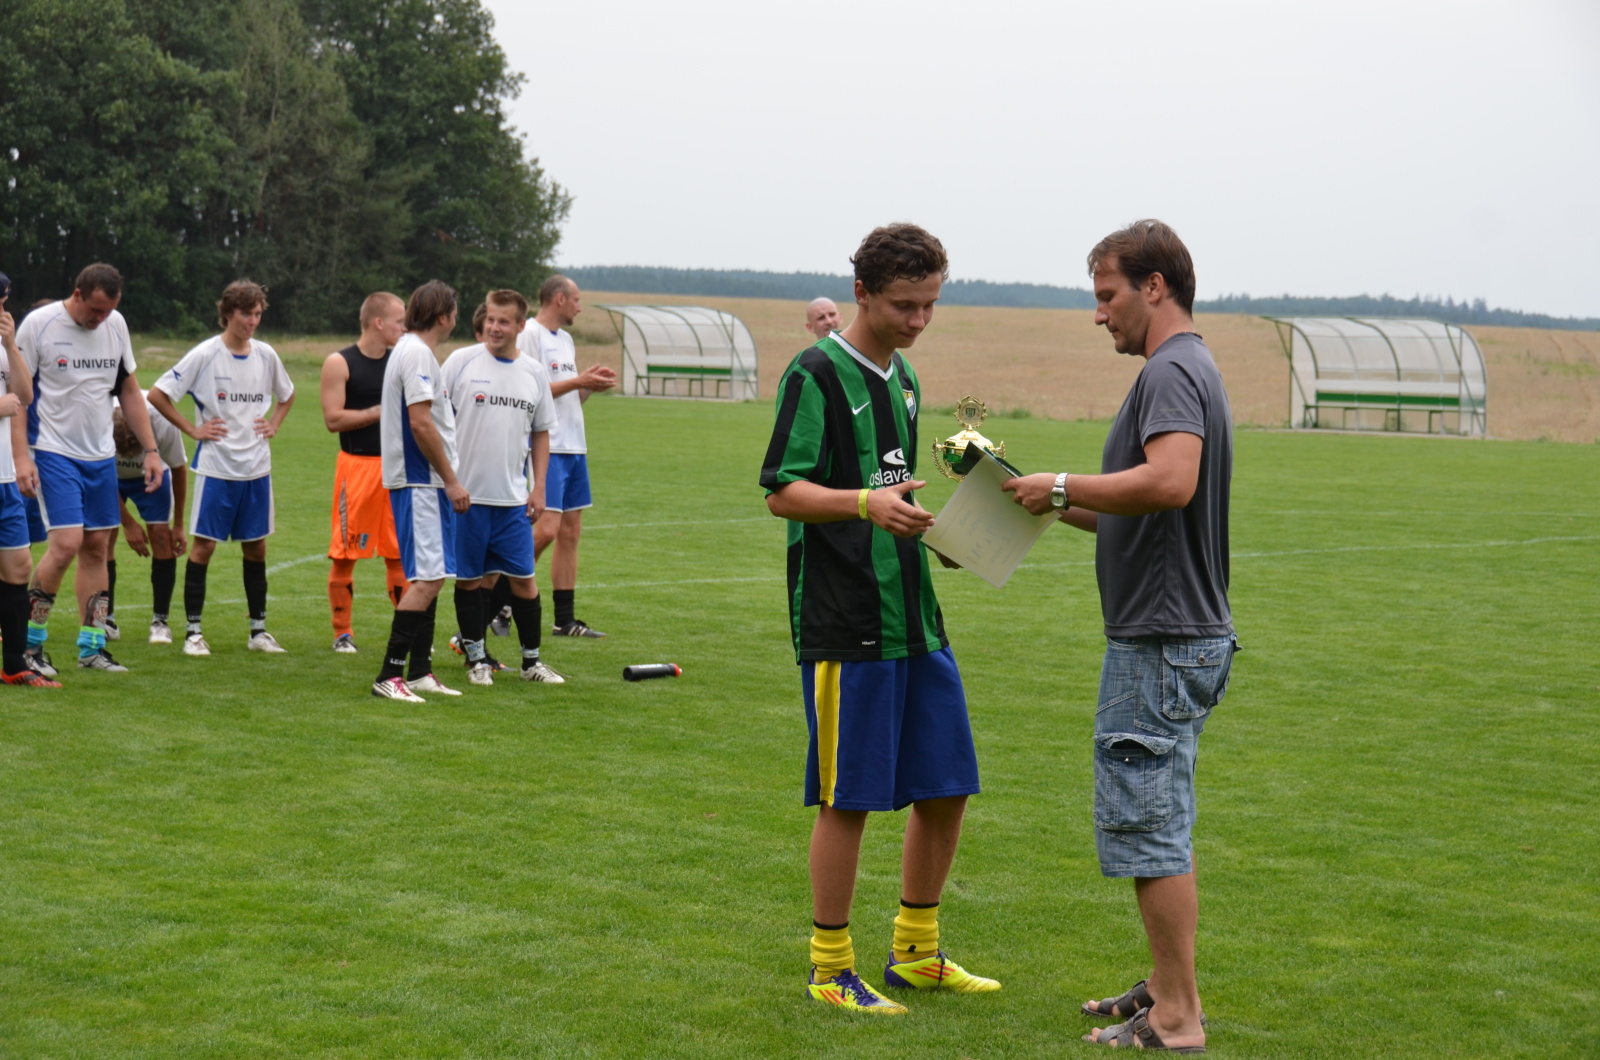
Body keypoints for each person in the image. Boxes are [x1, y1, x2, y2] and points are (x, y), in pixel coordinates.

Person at [1003, 220, 1234, 1053]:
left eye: (1108, 296)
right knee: (1160, 821)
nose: (1099, 314)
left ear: (1154, 287)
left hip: (1161, 639)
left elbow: (1169, 481)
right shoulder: (1189, 367)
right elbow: (1135, 511)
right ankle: (1169, 988)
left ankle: (1176, 1018)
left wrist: (1063, 482)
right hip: (1180, 634)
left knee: (1149, 832)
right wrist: (1040, 499)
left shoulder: (1170, 370)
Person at [759, 223, 1000, 1015]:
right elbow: (783, 491)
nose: (918, 320)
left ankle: (917, 953)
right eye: (904, 305)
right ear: (861, 293)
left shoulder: (905, 379)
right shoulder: (815, 373)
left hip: (915, 619)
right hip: (846, 619)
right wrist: (865, 504)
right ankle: (831, 969)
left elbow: (893, 490)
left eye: (930, 305)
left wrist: (949, 535)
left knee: (947, 786)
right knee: (849, 797)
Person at [16, 263, 164, 674]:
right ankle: (29, 645)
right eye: (95, 310)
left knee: (97, 546)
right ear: (77, 294)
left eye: (109, 311)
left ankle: (92, 647)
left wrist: (152, 450)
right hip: (51, 450)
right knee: (66, 544)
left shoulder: (116, 325)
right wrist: (21, 457)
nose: (101, 319)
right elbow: (19, 395)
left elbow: (129, 390)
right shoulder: (40, 325)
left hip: (100, 455)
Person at [149, 280, 295, 656]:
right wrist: (192, 429)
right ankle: (193, 634)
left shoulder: (266, 355)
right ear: (228, 313)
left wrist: (274, 423)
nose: (252, 321)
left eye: (258, 314)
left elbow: (288, 393)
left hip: (257, 468)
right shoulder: (205, 354)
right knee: (204, 547)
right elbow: (158, 394)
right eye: (246, 313)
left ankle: (258, 631)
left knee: (257, 548)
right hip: (217, 468)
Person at [439, 289, 564, 685]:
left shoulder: (533, 372)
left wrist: (538, 488)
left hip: (512, 501)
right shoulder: (460, 362)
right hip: (467, 499)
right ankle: (477, 660)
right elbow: (434, 421)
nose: (494, 327)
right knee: (469, 580)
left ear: (520, 326)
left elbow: (541, 433)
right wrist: (449, 481)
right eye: (491, 319)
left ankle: (531, 664)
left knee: (524, 581)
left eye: (504, 321)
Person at [370, 279, 468, 702]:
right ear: (444, 316)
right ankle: (389, 675)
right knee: (427, 579)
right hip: (421, 481)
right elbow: (420, 422)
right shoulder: (417, 354)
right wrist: (451, 480)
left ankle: (419, 672)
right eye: (455, 312)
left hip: (423, 481)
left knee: (433, 576)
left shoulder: (411, 350)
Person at [518, 275, 616, 638]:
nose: (580, 307)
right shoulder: (530, 334)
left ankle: (565, 620)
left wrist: (589, 385)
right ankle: (501, 601)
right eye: (576, 300)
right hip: (549, 446)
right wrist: (579, 381)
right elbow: (531, 391)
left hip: (575, 445)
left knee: (570, 532)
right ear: (559, 299)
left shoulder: (566, 340)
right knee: (545, 529)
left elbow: (568, 396)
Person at [321, 291, 409, 653]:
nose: (405, 328)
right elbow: (333, 419)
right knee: (345, 553)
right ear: (378, 322)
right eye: (400, 321)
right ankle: (342, 632)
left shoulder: (400, 361)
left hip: (397, 469)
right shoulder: (340, 362)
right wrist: (379, 411)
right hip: (356, 470)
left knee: (399, 554)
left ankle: (407, 630)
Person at [0, 271, 57, 686]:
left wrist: (9, 344)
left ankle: (14, 664)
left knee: (18, 566)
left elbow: (25, 395)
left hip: (4, 479)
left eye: (4, 300)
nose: (2, 308)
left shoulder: (4, 344)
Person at [106, 398, 189, 644]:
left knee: (162, 537)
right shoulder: (97, 419)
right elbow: (100, 476)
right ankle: (106, 619)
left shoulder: (163, 422)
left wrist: (179, 525)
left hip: (154, 473)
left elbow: (179, 469)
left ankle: (160, 622)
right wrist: (129, 523)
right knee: (102, 537)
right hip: (110, 477)